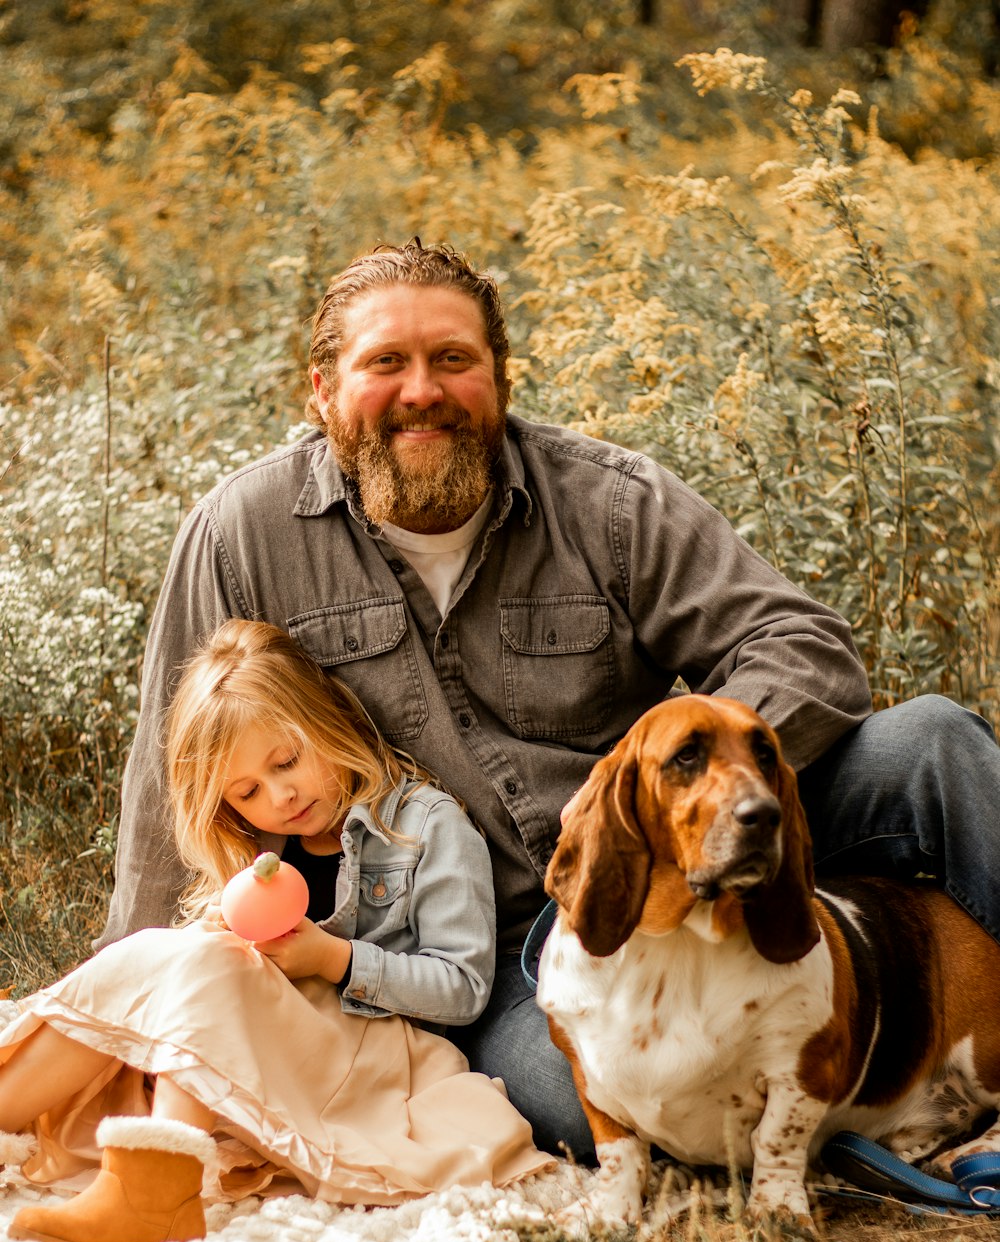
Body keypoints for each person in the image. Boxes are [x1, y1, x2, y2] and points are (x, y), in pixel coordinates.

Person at [98, 239, 1000, 1161]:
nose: (423, 391)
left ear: (500, 378)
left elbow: (804, 648)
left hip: (666, 853)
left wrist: (655, 794)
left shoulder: (611, 504)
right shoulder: (242, 534)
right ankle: (848, 1106)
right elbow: (172, 782)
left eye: (454, 359)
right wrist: (128, 1019)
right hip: (488, 951)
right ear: (321, 390)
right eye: (386, 364)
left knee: (934, 744)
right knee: (588, 1113)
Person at [0, 620, 551, 1242]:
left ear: (325, 717)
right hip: (281, 1044)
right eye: (248, 792)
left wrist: (333, 958)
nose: (280, 796)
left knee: (210, 965)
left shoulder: (426, 827)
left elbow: (463, 990)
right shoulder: (260, 849)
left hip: (378, 1057)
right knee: (158, 955)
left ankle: (155, 1195)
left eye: (287, 760)